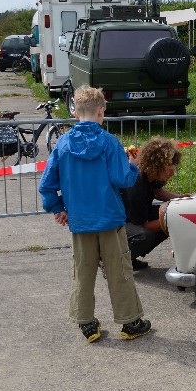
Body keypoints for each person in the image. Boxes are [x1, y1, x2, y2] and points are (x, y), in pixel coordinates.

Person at [39, 85, 152, 343]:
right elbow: (121, 178)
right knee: (119, 270)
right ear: (102, 111)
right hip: (109, 219)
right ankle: (130, 322)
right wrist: (133, 166)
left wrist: (57, 208)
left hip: (80, 221)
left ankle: (87, 323)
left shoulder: (63, 143)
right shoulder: (109, 142)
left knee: (83, 271)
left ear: (75, 112)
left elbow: (47, 185)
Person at [123, 137, 186, 269]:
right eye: (169, 167)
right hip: (115, 224)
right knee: (145, 235)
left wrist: (180, 199)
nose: (172, 172)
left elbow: (158, 192)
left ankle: (130, 257)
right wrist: (172, 216)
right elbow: (144, 225)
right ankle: (115, 263)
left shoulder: (152, 175)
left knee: (167, 217)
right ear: (156, 165)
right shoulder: (136, 183)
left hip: (131, 219)